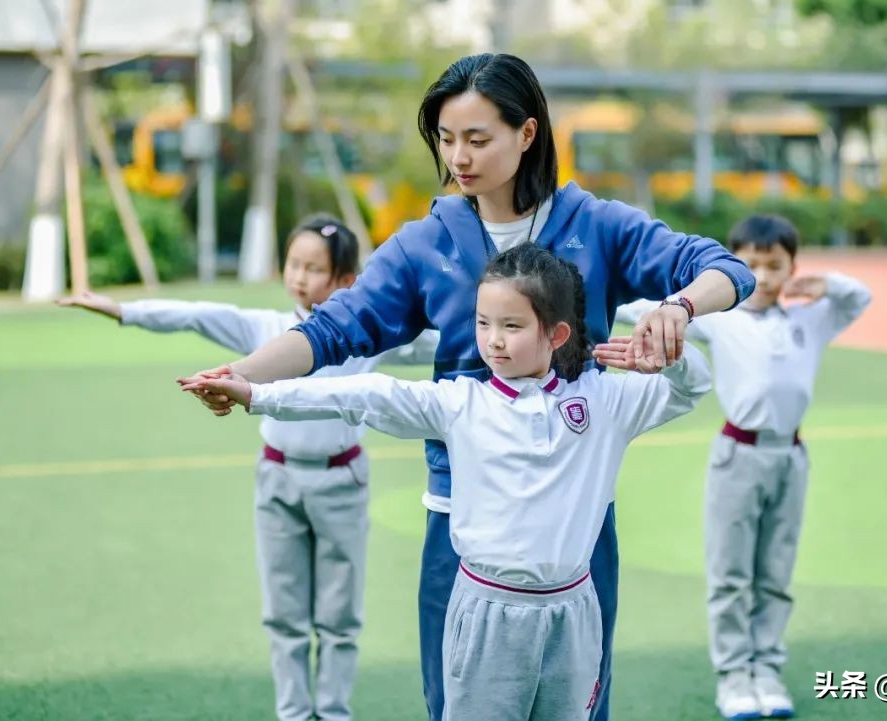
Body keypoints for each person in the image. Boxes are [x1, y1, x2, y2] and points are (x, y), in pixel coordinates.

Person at [180, 53, 755, 721]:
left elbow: (724, 268)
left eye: (478, 139)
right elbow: (334, 329)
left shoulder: (595, 225)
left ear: (528, 134)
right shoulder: (428, 242)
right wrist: (243, 375)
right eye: (446, 139)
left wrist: (678, 307)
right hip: (462, 524)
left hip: (573, 526)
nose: (459, 156)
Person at [183, 244, 712, 721]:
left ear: (556, 334)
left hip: (574, 610)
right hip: (486, 610)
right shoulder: (461, 402)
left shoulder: (606, 401)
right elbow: (364, 395)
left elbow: (692, 390)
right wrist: (256, 393)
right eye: (483, 324)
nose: (494, 341)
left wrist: (673, 357)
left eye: (512, 325)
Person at [60, 215, 437, 721]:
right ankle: (294, 714)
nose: (300, 277)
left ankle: (333, 713)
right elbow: (196, 315)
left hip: (342, 483)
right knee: (284, 616)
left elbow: (448, 342)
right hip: (277, 480)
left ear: (347, 280)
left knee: (338, 617)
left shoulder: (367, 337)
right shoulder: (266, 330)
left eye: (314, 268)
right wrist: (123, 310)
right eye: (294, 264)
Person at [608, 214, 871, 719]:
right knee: (731, 573)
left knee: (775, 570)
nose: (766, 276)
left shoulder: (807, 320)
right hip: (738, 455)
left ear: (793, 267)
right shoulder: (721, 318)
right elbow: (637, 308)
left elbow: (858, 299)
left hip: (790, 456)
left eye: (776, 265)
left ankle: (766, 670)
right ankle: (734, 676)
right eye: (753, 265)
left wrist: (825, 284)